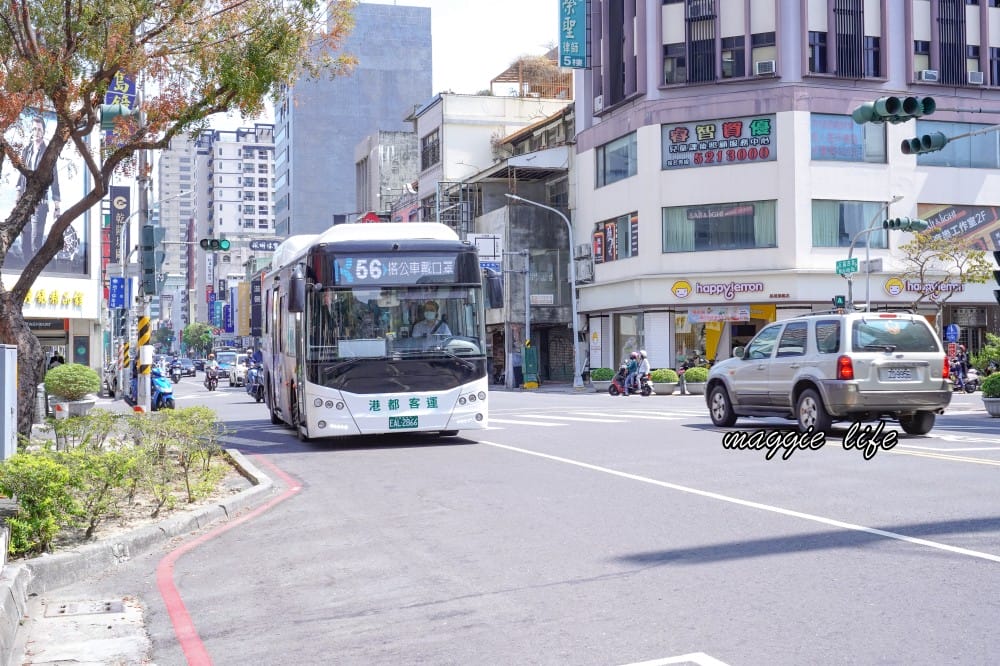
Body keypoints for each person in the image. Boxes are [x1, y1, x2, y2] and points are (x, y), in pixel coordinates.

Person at [16, 115, 61, 262]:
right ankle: (26, 272)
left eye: (39, 129)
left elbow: (54, 178)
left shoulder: (48, 152)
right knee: (25, 241)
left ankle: (36, 271)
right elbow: (21, 175)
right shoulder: (26, 151)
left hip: (40, 203)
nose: (36, 132)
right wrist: (17, 196)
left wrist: (57, 205)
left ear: (44, 131)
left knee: (36, 241)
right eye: (34, 129)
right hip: (24, 203)